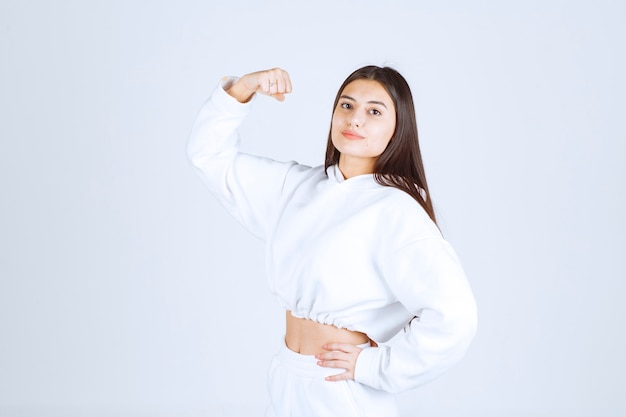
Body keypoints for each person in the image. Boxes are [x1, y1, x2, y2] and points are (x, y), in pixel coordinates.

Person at [187, 66, 478, 417]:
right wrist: (242, 89)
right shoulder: (296, 188)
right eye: (346, 105)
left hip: (340, 392)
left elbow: (455, 317)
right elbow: (209, 156)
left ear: (398, 129)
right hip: (287, 378)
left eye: (374, 111)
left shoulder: (395, 210)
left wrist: (375, 367)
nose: (355, 119)